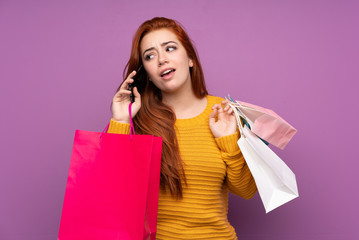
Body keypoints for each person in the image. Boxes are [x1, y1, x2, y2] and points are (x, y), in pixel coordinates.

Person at [108, 17, 257, 240]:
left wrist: (228, 140)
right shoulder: (137, 120)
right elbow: (111, 191)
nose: (161, 60)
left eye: (170, 48)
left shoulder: (225, 112)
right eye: (150, 55)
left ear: (190, 58)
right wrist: (120, 121)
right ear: (146, 73)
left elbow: (246, 190)